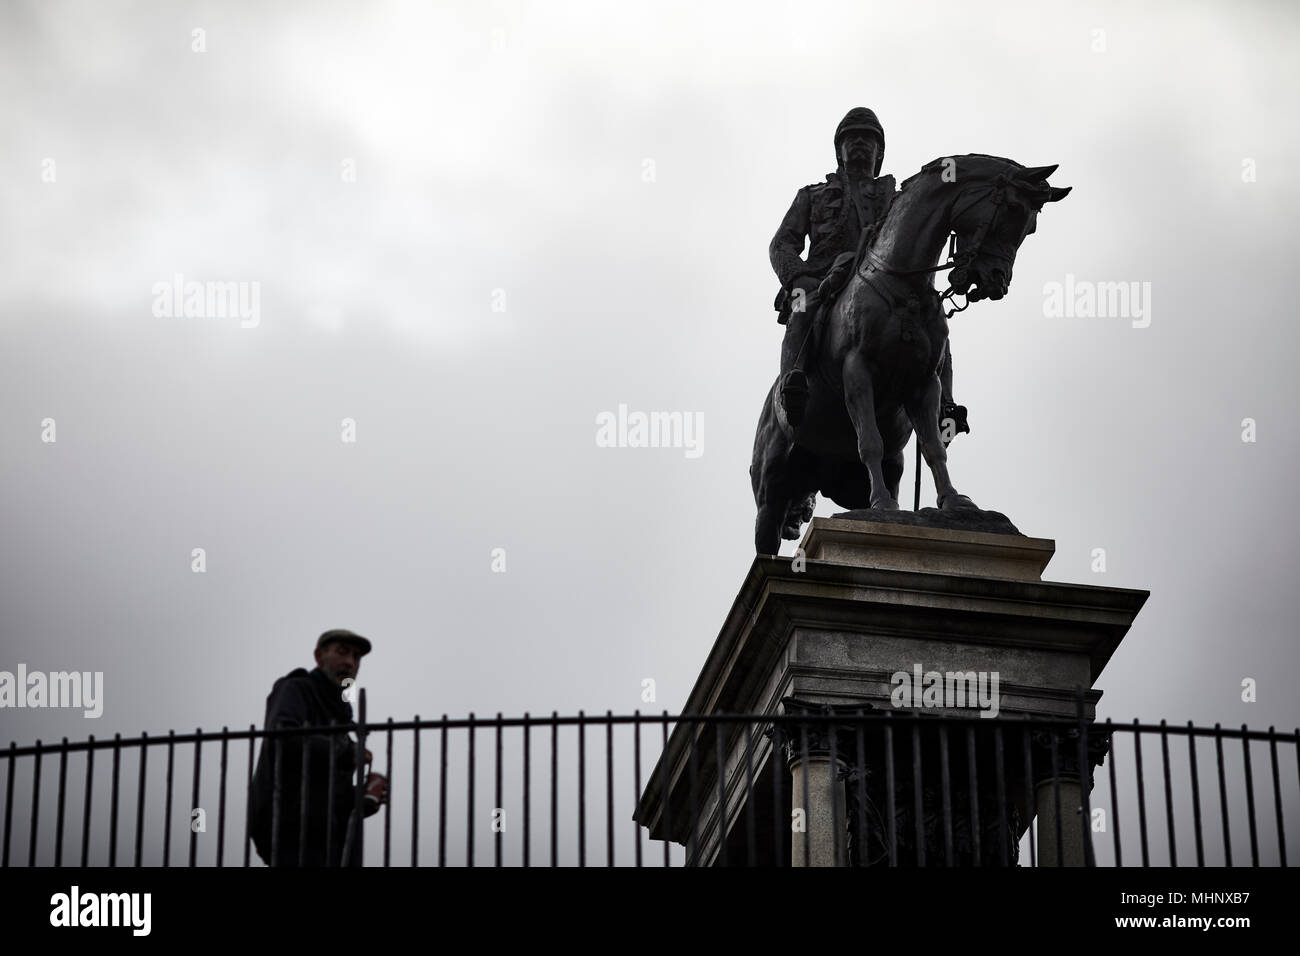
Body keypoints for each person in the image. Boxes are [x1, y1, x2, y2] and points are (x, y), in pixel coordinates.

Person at [769, 107, 968, 440]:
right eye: (852, 139)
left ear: (879, 153)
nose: (860, 144)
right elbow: (781, 244)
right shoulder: (812, 195)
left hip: (880, 282)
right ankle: (794, 380)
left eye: (868, 139)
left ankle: (945, 405)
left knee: (934, 322)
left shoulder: (896, 198)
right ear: (839, 151)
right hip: (823, 279)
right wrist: (797, 277)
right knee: (803, 308)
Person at [249, 629, 387, 867]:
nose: (350, 662)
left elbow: (327, 787)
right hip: (292, 830)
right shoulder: (296, 688)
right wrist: (345, 753)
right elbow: (284, 736)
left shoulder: (340, 711)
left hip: (329, 835)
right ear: (318, 657)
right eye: (342, 652)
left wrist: (362, 798)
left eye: (356, 657)